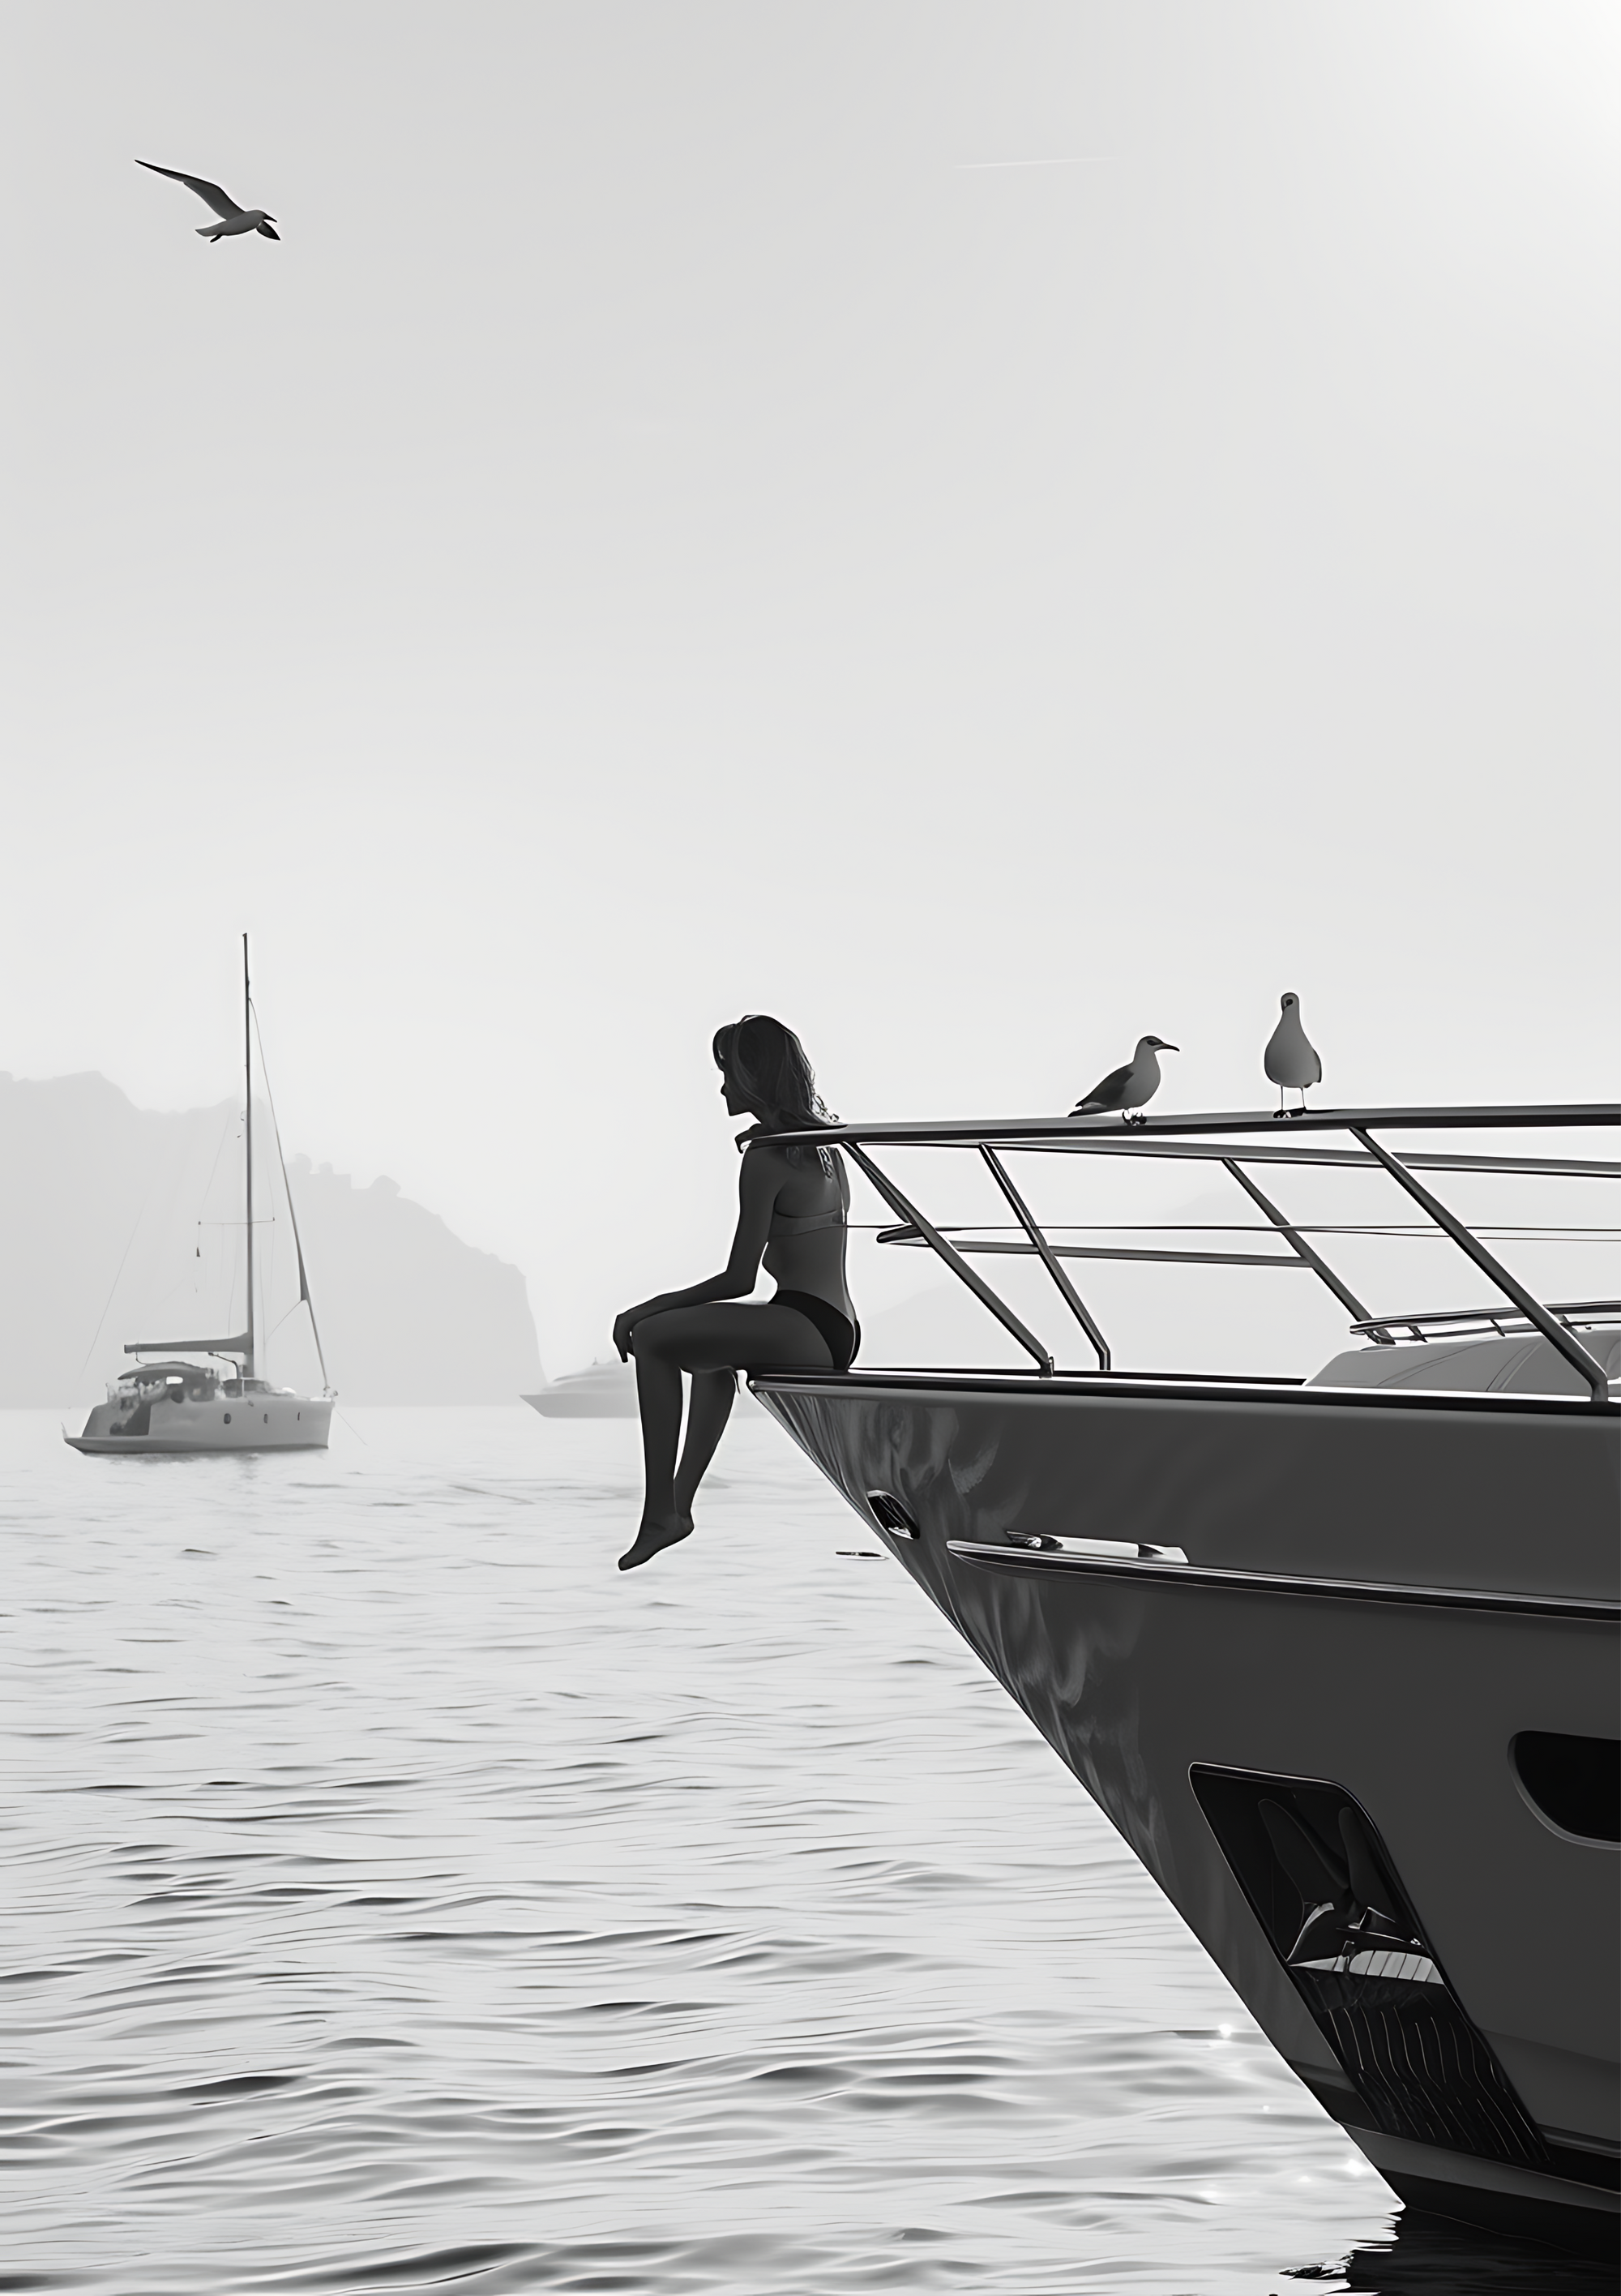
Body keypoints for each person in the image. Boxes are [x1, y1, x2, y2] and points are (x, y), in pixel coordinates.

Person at [612, 1014, 859, 1571]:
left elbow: (738, 1279)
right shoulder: (822, 1144)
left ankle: (663, 1512)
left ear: (754, 1078)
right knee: (706, 1350)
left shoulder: (769, 1158)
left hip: (805, 1326)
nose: (722, 1087)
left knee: (654, 1338)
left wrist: (642, 1309)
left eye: (727, 1073)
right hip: (832, 1324)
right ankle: (677, 1507)